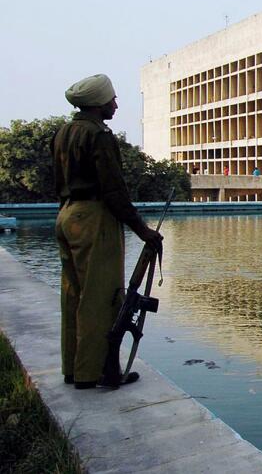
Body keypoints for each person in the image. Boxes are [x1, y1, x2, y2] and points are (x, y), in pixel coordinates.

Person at [52, 74, 163, 390]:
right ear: (99, 104)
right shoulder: (99, 136)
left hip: (66, 214)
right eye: (112, 100)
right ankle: (94, 374)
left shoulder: (63, 133)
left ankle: (73, 368)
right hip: (93, 217)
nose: (116, 105)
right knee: (100, 298)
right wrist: (143, 230)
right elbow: (114, 191)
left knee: (72, 295)